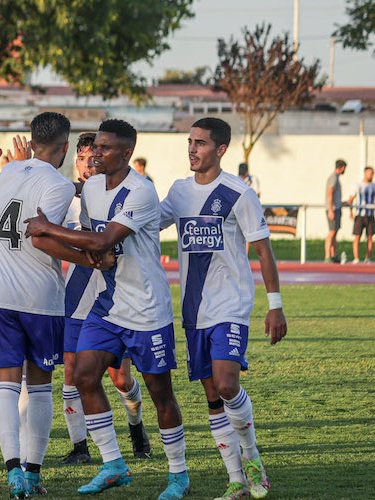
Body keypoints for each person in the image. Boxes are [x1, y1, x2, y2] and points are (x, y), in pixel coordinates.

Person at [25, 119, 191, 500]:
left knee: (160, 394)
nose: (95, 154)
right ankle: (113, 464)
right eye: (94, 147)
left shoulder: (141, 191)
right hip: (109, 304)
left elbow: (102, 238)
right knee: (83, 376)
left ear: (127, 153)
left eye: (104, 148)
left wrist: (48, 228)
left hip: (147, 310)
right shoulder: (92, 188)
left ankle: (178, 475)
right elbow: (93, 246)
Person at [159, 117, 287, 499]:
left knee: (228, 384)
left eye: (200, 143)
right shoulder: (179, 191)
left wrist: (275, 306)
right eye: (190, 142)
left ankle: (253, 460)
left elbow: (264, 249)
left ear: (221, 149)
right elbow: (149, 223)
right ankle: (236, 481)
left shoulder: (238, 193)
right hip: (193, 310)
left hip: (230, 305)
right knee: (213, 396)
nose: (192, 149)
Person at [0, 112, 100, 497]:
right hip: (41, 299)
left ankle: (12, 469)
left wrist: (19, 160)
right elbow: (42, 239)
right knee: (41, 387)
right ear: (66, 148)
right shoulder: (60, 187)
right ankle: (32, 472)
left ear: (31, 141)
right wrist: (91, 258)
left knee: (5, 386)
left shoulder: (10, 173)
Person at [59, 132, 151, 466]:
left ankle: (136, 426)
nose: (89, 162)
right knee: (71, 371)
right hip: (77, 293)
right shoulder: (64, 197)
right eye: (83, 158)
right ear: (76, 161)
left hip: (114, 293)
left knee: (120, 378)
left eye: (94, 155)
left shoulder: (119, 194)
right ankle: (80, 446)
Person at [349, 166, 375, 263]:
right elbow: (351, 199)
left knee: (369, 237)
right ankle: (356, 258)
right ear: (365, 173)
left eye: (373, 173)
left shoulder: (373, 186)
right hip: (360, 215)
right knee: (357, 236)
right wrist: (351, 212)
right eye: (370, 173)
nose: (372, 175)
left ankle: (367, 258)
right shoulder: (358, 185)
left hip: (370, 215)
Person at [325, 159, 347, 263]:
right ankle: (327, 256)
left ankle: (334, 255)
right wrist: (330, 210)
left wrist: (343, 203)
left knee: (335, 233)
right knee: (331, 232)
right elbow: (329, 194)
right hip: (333, 209)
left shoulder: (336, 178)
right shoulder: (333, 178)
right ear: (342, 167)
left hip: (336, 208)